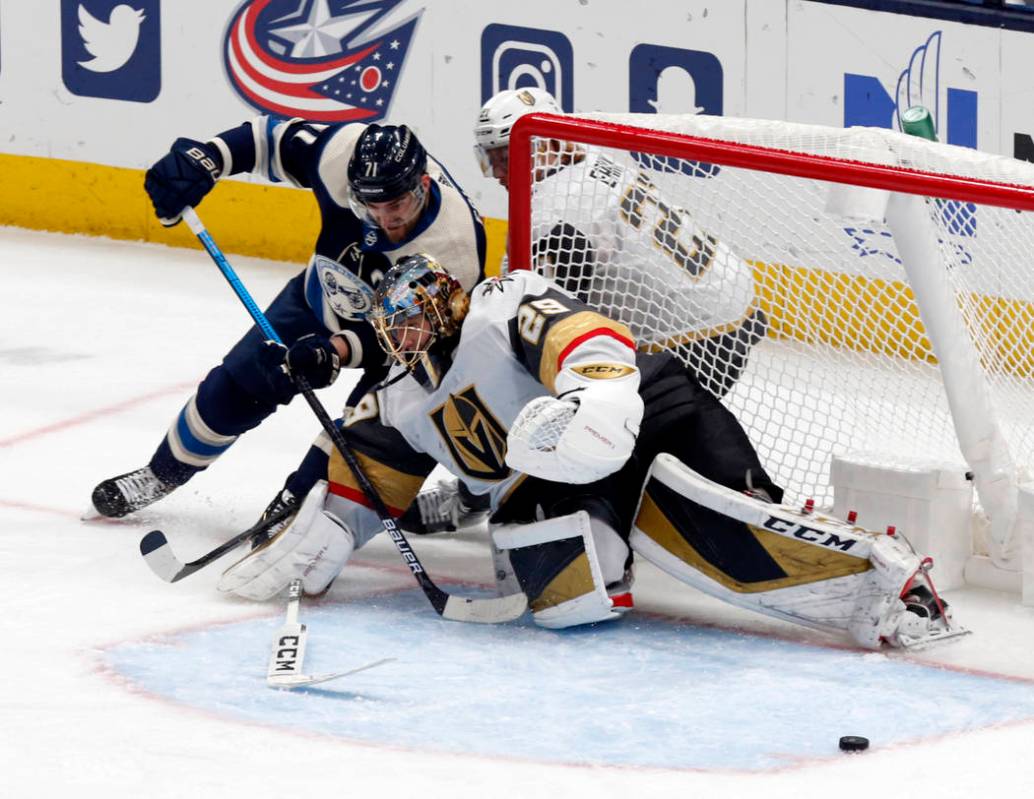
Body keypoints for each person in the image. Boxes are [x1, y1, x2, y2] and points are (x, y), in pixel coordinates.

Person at [215, 254, 959, 650]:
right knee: (572, 600)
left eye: (408, 318)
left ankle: (886, 584)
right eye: (391, 326)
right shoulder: (402, 400)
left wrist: (594, 396)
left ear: (443, 302)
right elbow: (366, 479)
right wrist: (327, 529)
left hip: (647, 409)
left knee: (737, 523)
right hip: (561, 474)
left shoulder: (500, 303)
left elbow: (588, 341)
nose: (397, 336)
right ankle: (632, 537)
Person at [86, 117, 486, 529]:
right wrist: (208, 158)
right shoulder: (341, 151)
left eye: (396, 204)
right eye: (371, 205)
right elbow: (269, 139)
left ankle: (297, 512)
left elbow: (410, 338)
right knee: (236, 385)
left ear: (421, 182)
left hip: (399, 351)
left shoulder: (453, 250)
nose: (385, 218)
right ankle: (161, 475)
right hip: (317, 299)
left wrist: (336, 351)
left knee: (362, 435)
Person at [474, 87, 767, 400]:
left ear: (552, 144)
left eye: (507, 157)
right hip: (734, 297)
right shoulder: (593, 158)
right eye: (490, 160)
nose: (499, 174)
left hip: (696, 340)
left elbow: (544, 319)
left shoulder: (547, 214)